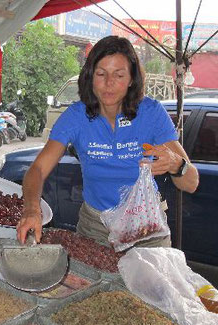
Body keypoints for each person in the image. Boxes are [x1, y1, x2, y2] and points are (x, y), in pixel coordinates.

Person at [16, 36, 199, 247]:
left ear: (131, 79)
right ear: (90, 77)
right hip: (96, 229)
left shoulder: (151, 113)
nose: (109, 83)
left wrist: (177, 164)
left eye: (119, 75)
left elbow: (191, 183)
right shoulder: (76, 116)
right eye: (101, 74)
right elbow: (37, 170)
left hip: (146, 231)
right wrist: (31, 210)